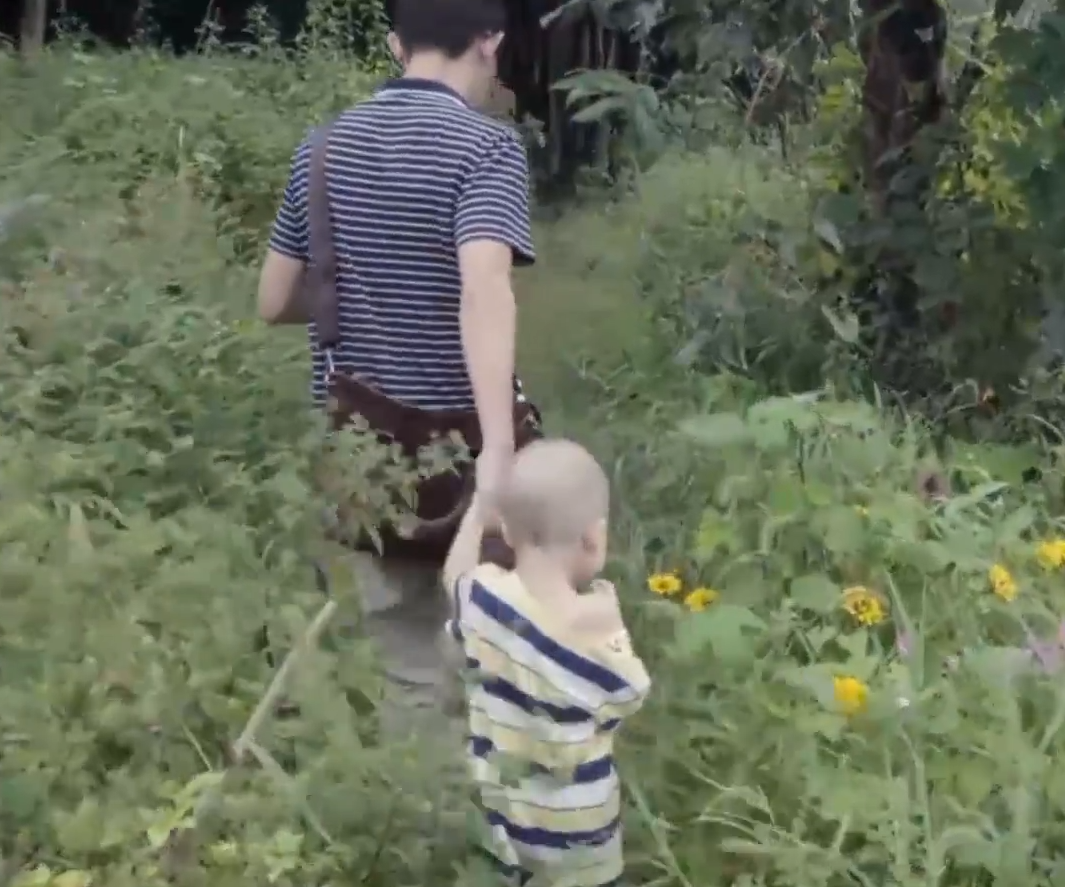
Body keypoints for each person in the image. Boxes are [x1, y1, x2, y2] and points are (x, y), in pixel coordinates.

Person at [255, 0, 534, 720]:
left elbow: (275, 299)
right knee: (486, 650)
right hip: (459, 448)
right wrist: (499, 451)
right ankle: (476, 813)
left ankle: (407, 807)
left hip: (358, 442)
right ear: (489, 43)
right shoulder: (486, 149)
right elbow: (484, 285)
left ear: (393, 44)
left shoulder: (321, 148)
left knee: (398, 643)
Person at [442, 438, 652, 887]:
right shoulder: (593, 629)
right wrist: (605, 614)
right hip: (580, 846)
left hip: (501, 826)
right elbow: (630, 695)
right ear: (593, 538)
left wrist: (479, 509)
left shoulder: (483, 600)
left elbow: (453, 579)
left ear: (507, 531)